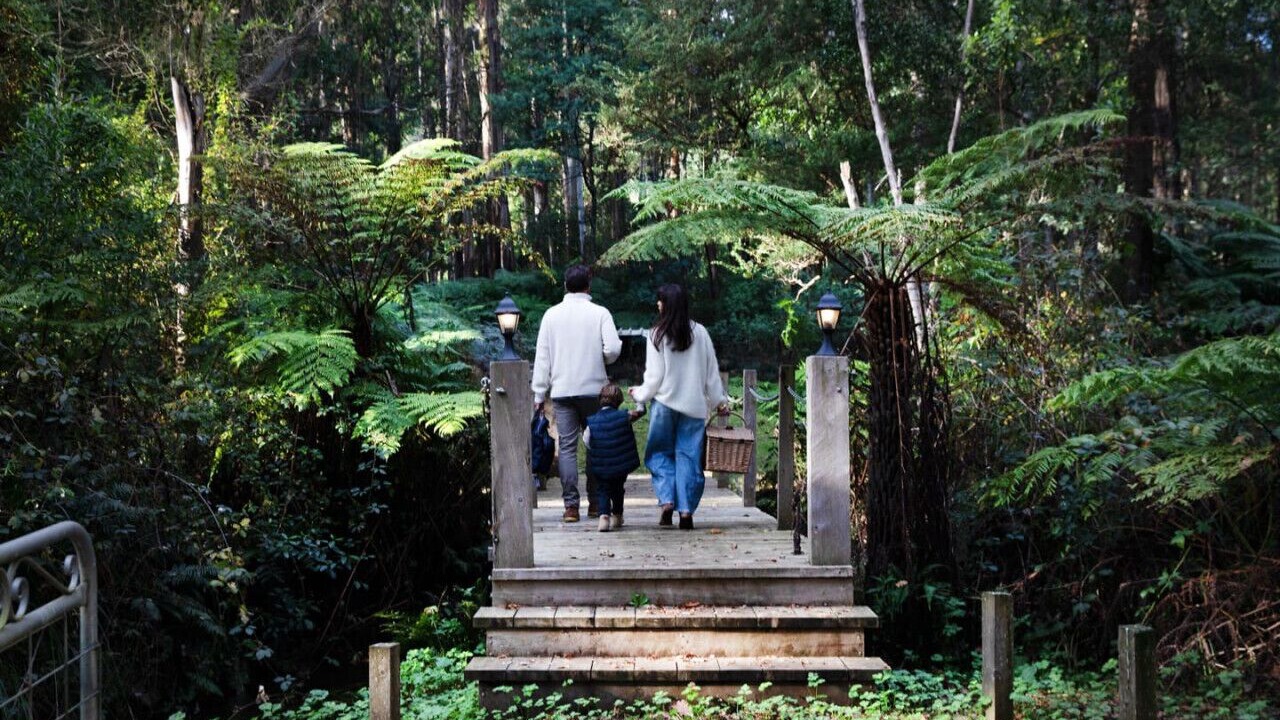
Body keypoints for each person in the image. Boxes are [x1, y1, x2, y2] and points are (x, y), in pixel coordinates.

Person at [629, 284, 728, 530]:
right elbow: (710, 373)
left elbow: (654, 377)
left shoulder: (656, 334)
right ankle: (686, 511)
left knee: (660, 454)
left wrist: (639, 393)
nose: (657, 305)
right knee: (689, 458)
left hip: (664, 404)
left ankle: (667, 502)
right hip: (694, 407)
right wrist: (719, 401)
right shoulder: (701, 333)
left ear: (667, 305)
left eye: (660, 301)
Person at [532, 264, 623, 523]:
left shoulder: (551, 315)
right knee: (596, 445)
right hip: (594, 391)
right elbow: (614, 348)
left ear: (565, 285)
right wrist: (601, 357)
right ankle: (596, 503)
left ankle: (571, 507)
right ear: (588, 285)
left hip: (562, 391)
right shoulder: (600, 313)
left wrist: (539, 394)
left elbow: (543, 358)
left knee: (568, 448)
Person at [582, 383, 645, 532]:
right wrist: (638, 397)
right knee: (618, 489)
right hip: (619, 465)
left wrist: (596, 451)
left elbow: (586, 440)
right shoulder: (624, 416)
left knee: (602, 489)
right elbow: (641, 411)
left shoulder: (592, 421)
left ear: (600, 399)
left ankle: (604, 516)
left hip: (601, 464)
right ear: (619, 401)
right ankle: (617, 516)